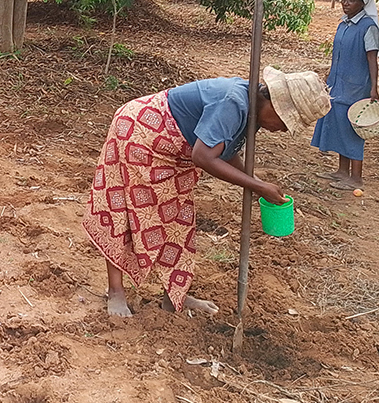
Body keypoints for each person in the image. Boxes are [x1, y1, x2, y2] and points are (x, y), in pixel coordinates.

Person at [82, 67, 331, 318]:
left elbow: (224, 150)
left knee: (178, 218)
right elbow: (203, 156)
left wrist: (256, 183)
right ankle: (116, 291)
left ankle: (174, 295)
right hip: (140, 134)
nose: (283, 130)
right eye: (285, 122)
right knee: (128, 210)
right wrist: (257, 186)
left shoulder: (251, 110)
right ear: (274, 104)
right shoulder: (232, 102)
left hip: (174, 150)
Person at [311, 0, 379, 190]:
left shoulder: (368, 27)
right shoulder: (343, 24)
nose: (345, 3)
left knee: (352, 130)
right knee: (340, 126)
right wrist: (329, 76)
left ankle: (356, 178)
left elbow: (372, 59)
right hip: (338, 84)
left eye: (351, 0)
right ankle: (342, 171)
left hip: (356, 88)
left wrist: (374, 88)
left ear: (362, 3)